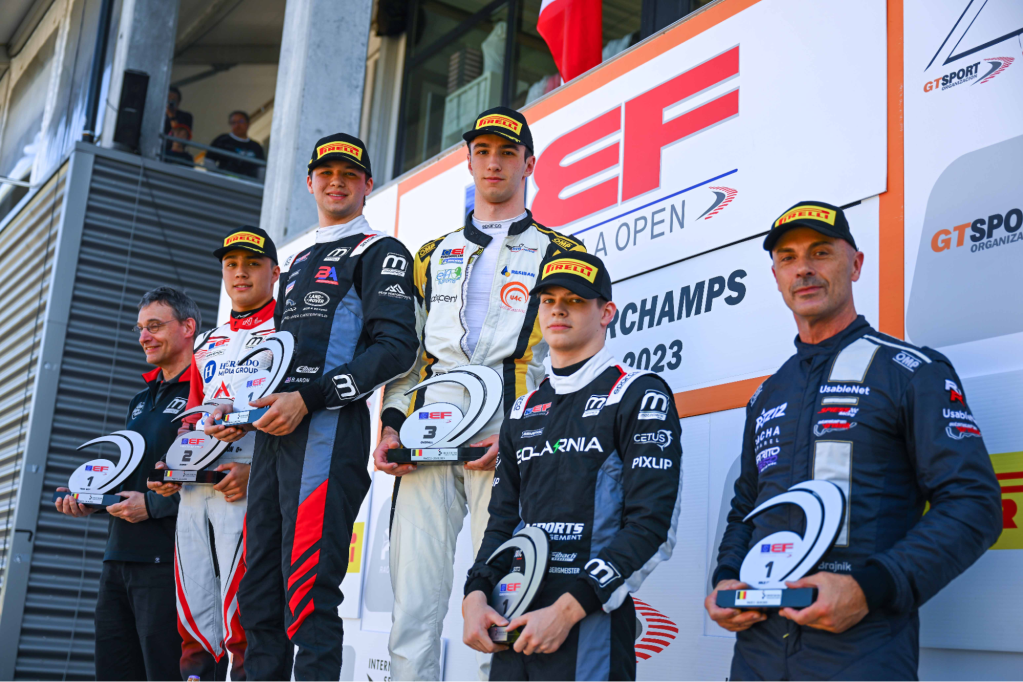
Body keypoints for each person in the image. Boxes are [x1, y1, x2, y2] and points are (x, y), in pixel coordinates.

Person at [704, 202, 1003, 680]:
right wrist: (724, 580)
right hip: (756, 655)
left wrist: (869, 588)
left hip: (862, 655)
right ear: (776, 275)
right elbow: (746, 508)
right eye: (788, 257)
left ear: (856, 264)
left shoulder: (910, 371)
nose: (803, 268)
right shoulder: (768, 393)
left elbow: (975, 503)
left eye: (821, 252)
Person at [371, 106, 586, 682]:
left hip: (508, 437)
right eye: (483, 152)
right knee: (412, 608)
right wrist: (392, 423)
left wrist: (524, 427)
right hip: (424, 441)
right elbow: (410, 355)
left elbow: (570, 357)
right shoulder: (429, 253)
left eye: (507, 152)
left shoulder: (565, 251)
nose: (493, 163)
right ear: (468, 161)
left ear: (530, 164)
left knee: (513, 596)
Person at [228, 133, 418, 681]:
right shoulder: (298, 260)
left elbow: (396, 348)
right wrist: (233, 414)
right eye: (326, 172)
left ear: (367, 185)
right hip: (272, 438)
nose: (336, 181)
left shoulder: (378, 251)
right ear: (310, 181)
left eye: (348, 174)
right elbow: (271, 361)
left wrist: (308, 399)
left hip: (329, 434)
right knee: (258, 592)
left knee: (309, 594)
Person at [462, 251, 683, 681]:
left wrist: (567, 610)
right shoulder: (524, 409)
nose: (559, 308)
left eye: (577, 299)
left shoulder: (637, 393)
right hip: (512, 620)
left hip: (587, 622)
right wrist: (475, 592)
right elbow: (503, 523)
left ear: (607, 313)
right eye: (549, 299)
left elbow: (652, 527)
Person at [148, 227, 280, 681]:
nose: (240, 273)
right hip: (194, 491)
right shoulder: (207, 342)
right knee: (194, 613)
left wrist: (257, 467)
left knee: (241, 614)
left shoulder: (288, 331)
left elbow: (296, 418)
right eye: (231, 264)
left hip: (244, 489)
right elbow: (191, 418)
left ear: (274, 272)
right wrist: (171, 466)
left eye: (252, 264)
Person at [56, 287, 200, 682]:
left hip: (168, 564)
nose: (143, 337)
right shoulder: (140, 398)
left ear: (188, 327)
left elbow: (216, 483)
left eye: (154, 325)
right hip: (116, 560)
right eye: (140, 328)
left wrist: (153, 507)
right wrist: (91, 500)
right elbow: (132, 480)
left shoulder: (206, 391)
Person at [208, 111, 265, 179]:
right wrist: (216, 179)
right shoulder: (222, 140)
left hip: (247, 186)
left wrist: (257, 185)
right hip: (224, 183)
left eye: (241, 121)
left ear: (248, 123)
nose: (237, 125)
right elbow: (209, 160)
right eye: (233, 122)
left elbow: (261, 169)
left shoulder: (256, 146)